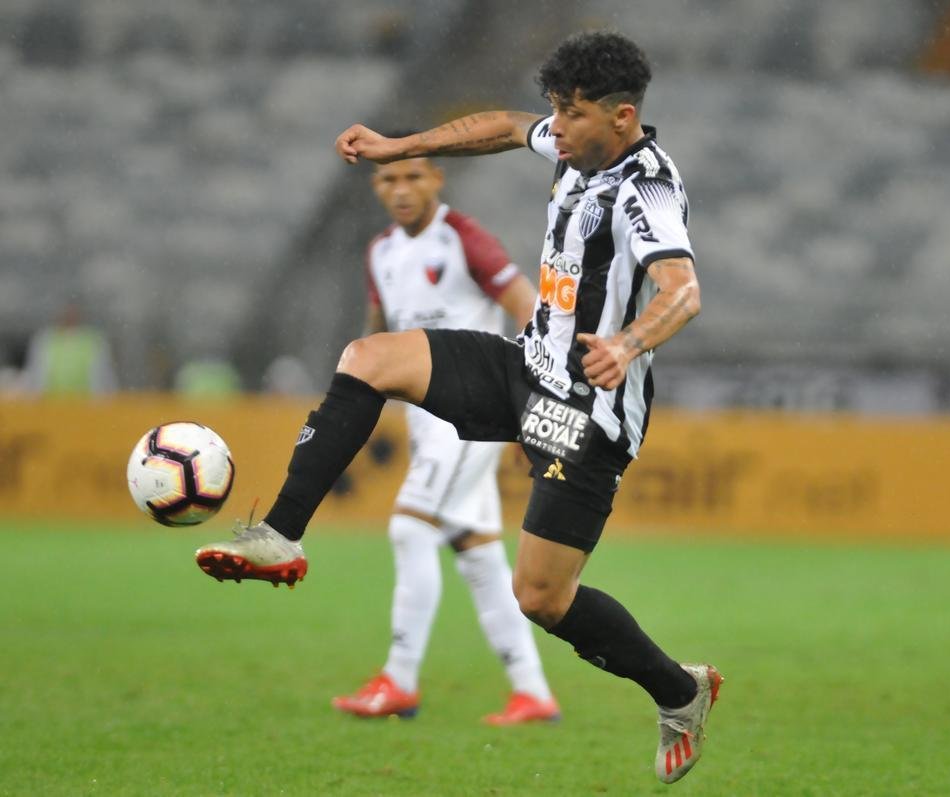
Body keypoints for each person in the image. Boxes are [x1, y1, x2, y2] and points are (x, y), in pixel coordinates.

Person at [196, 30, 721, 783]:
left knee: (540, 597)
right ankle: (280, 536)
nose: (554, 128)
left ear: (622, 116)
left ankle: (679, 690)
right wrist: (398, 145)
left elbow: (683, 291)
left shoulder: (648, 187)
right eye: (554, 110)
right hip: (526, 365)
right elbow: (504, 126)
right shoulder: (574, 144)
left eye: (570, 114)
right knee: (367, 357)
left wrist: (627, 344)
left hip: (587, 409)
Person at [328, 147, 560, 725]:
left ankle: (400, 680)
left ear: (436, 178)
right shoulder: (381, 252)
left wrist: (538, 395)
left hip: (471, 416)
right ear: (377, 187)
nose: (402, 188)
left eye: (413, 175)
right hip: (424, 422)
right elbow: (377, 340)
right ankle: (532, 692)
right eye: (389, 178)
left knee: (411, 527)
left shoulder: (464, 239)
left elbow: (528, 309)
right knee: (476, 553)